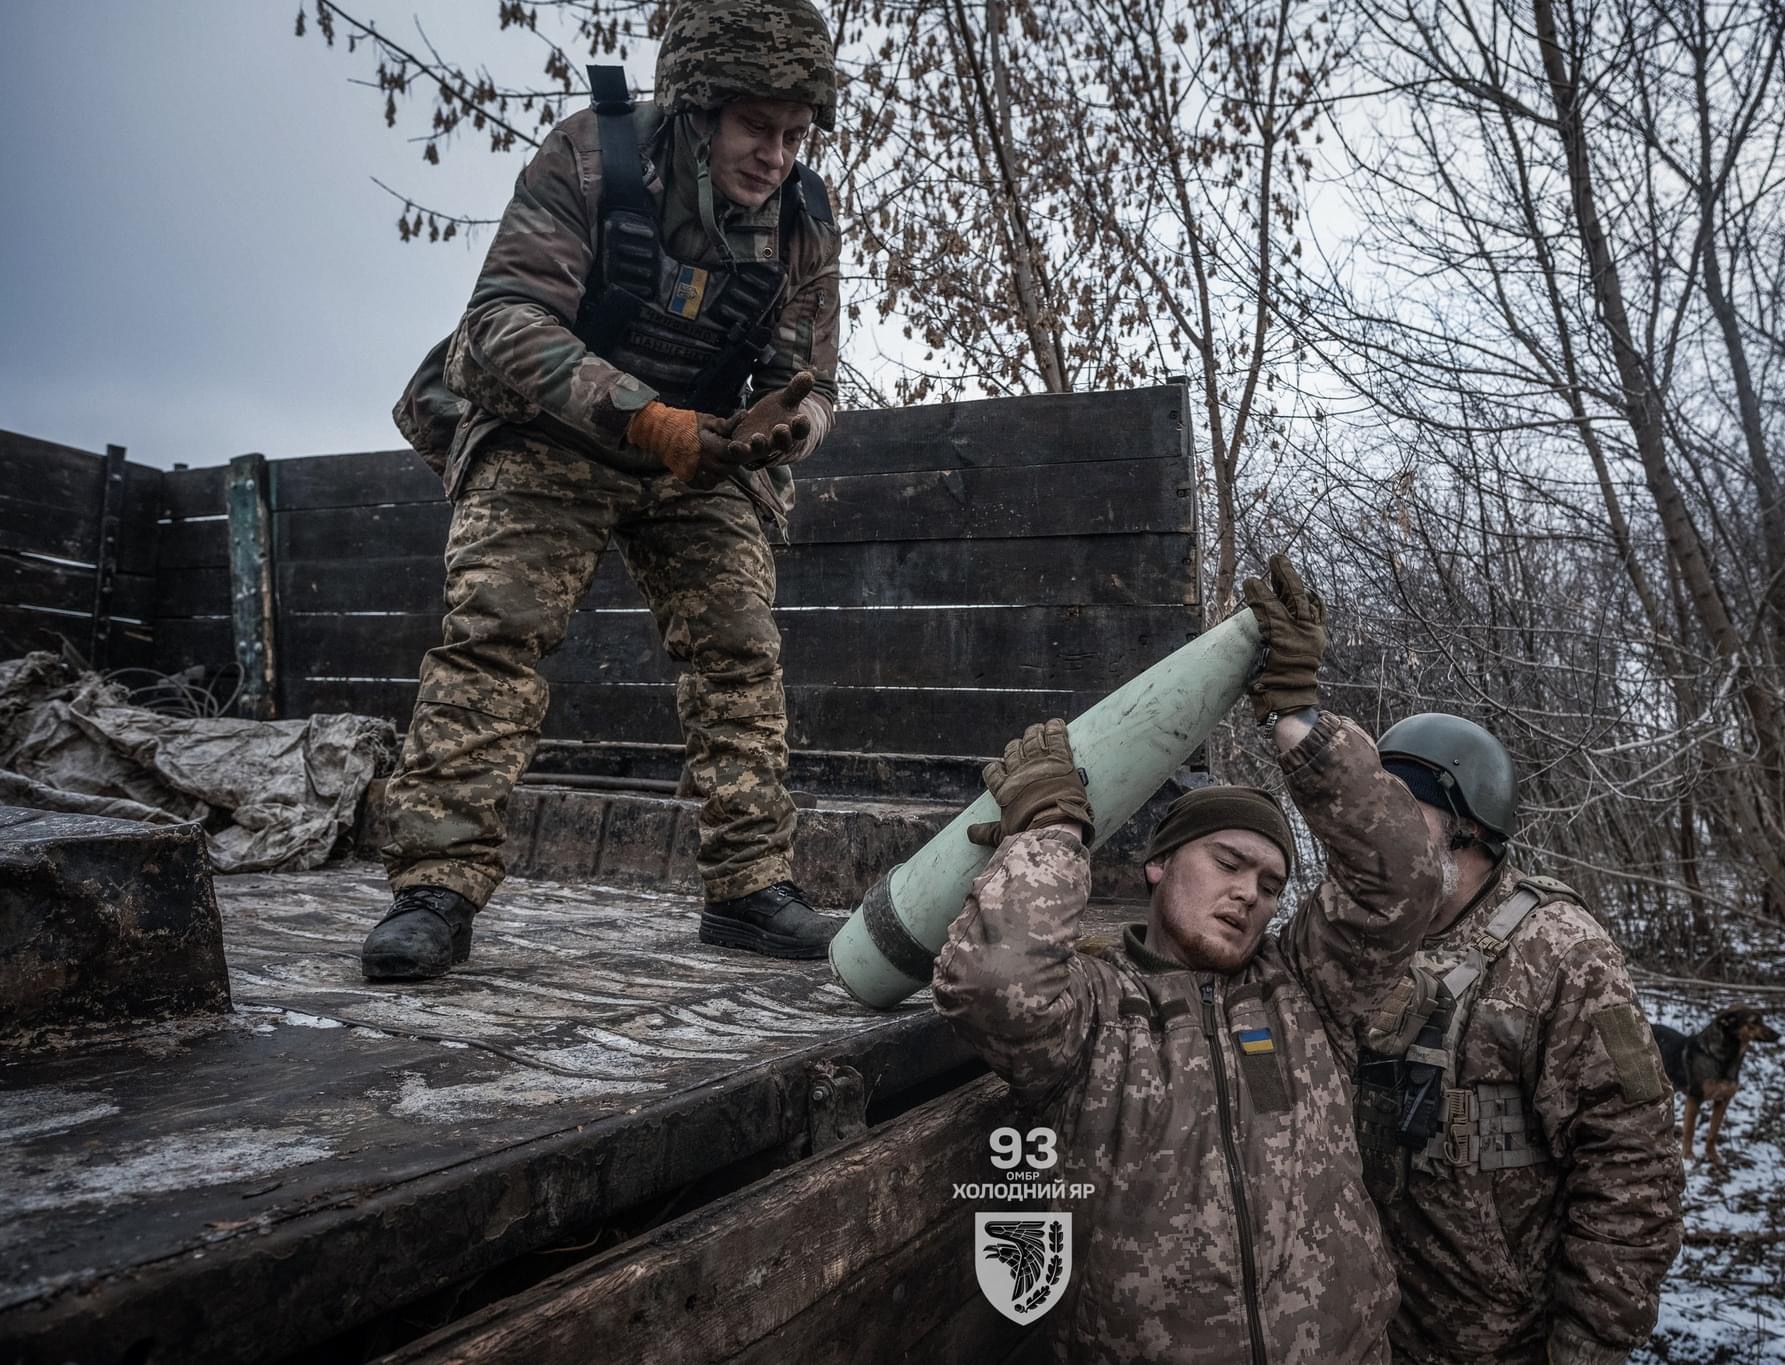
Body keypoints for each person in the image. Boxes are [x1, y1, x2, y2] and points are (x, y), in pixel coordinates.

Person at [362, 0, 844, 980]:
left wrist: (789, 426)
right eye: (756, 127)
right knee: (496, 634)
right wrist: (643, 416)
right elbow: (502, 322)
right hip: (549, 433)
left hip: (698, 454)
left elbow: (812, 379)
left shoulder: (802, 218)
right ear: (697, 109)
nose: (776, 156)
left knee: (740, 651)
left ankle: (751, 888)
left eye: (796, 135)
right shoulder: (590, 156)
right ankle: (435, 888)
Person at [932, 555, 1441, 1365]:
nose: (1250, 893)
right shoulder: (1094, 1012)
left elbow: (1405, 879)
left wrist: (1299, 720)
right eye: (1229, 862)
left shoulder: (1307, 990)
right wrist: (1053, 830)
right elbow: (994, 984)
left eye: (1271, 883)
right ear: (1159, 865)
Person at [1350, 712, 1684, 1364]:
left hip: (1506, 1344)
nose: (1376, 827)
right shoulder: (1363, 938)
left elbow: (1633, 1168)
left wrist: (1589, 1343)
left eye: (1402, 809)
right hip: (1371, 1332)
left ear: (1468, 825)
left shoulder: (1566, 953)